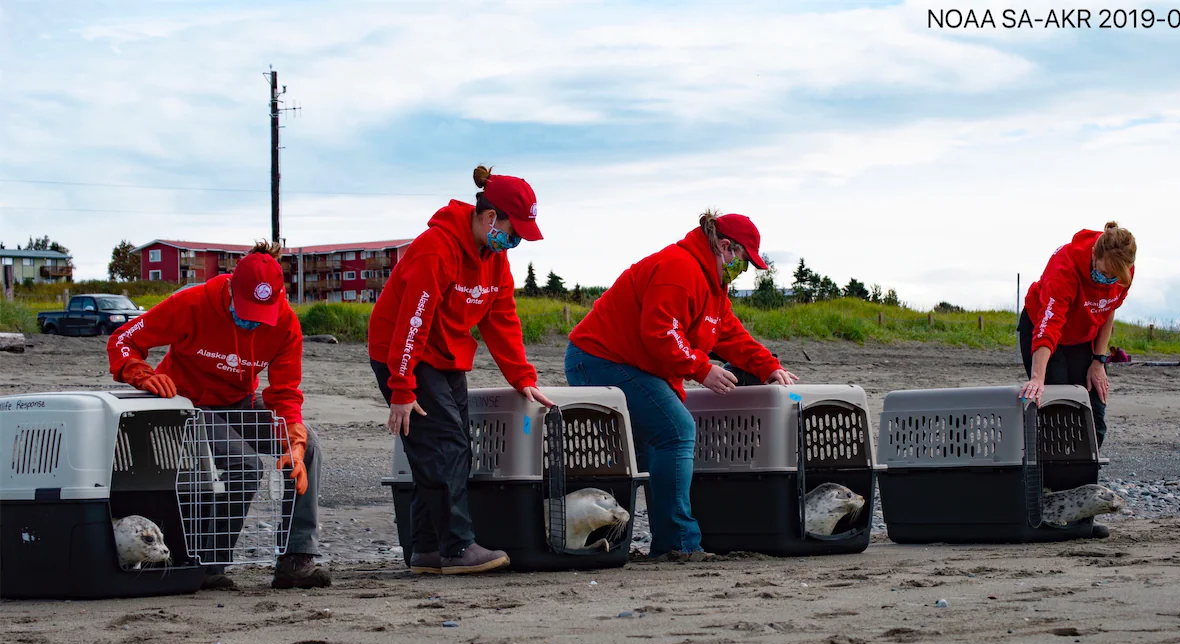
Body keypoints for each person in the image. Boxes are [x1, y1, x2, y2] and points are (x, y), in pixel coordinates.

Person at [565, 210, 798, 560]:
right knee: (676, 430)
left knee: (658, 442)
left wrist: (768, 366)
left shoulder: (712, 285)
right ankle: (680, 544)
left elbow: (729, 333)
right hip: (600, 360)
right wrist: (703, 369)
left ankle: (649, 541)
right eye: (742, 260)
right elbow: (661, 331)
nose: (743, 269)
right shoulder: (680, 268)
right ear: (724, 246)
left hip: (631, 364)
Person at [107, 241, 329, 590]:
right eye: (246, 310)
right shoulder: (193, 303)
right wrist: (141, 372)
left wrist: (295, 442)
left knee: (309, 446)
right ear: (230, 288)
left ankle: (295, 557)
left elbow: (285, 393)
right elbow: (122, 340)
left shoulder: (285, 324)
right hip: (186, 406)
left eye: (261, 314)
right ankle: (209, 565)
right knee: (247, 465)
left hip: (238, 402)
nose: (252, 322)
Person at [368, 165, 553, 576]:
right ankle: (457, 547)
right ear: (491, 219)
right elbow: (410, 323)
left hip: (447, 355)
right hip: (402, 353)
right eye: (514, 232)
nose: (515, 241)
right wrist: (401, 387)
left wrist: (522, 377)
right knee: (445, 447)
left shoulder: (494, 259)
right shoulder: (438, 248)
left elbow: (501, 319)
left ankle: (426, 550)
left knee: (450, 449)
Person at [1018, 222, 1136, 538]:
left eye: (1115, 276)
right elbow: (1049, 326)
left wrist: (1098, 362)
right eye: (1103, 273)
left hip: (1083, 339)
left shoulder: (1123, 272)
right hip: (1043, 330)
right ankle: (1041, 504)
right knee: (1056, 411)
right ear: (1094, 258)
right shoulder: (1066, 265)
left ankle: (1078, 510)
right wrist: (1038, 378)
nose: (1108, 280)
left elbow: (1108, 312)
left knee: (1092, 417)